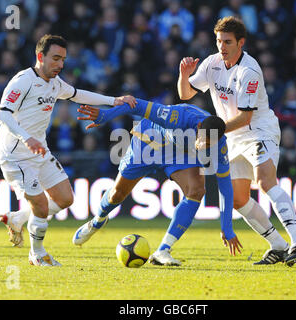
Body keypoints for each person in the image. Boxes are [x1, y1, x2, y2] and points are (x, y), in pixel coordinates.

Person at [177, 16, 296, 266]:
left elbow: (245, 116)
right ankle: (278, 245)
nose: (222, 46)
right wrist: (184, 75)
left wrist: (211, 134)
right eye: (219, 41)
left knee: (264, 181)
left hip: (259, 130)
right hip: (232, 137)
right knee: (238, 198)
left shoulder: (249, 70)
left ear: (241, 42)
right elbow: (185, 94)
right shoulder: (211, 63)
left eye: (227, 41)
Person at [0, 34, 136, 266]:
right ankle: (37, 254)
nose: (60, 64)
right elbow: (2, 114)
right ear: (40, 57)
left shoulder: (55, 83)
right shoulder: (22, 81)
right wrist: (27, 138)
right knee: (40, 205)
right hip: (15, 155)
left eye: (63, 60)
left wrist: (114, 100)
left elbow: (77, 94)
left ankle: (17, 218)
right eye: (56, 58)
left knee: (65, 199)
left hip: (39, 151)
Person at [72, 98, 243, 265]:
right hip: (150, 141)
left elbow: (225, 186)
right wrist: (105, 115)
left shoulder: (220, 144)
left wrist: (226, 227)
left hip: (180, 153)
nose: (203, 146)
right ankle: (97, 221)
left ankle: (163, 250)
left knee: (197, 191)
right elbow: (135, 104)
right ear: (198, 127)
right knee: (117, 194)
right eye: (202, 141)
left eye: (208, 144)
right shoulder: (177, 116)